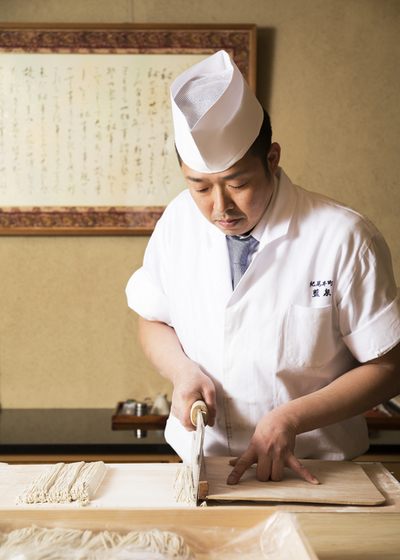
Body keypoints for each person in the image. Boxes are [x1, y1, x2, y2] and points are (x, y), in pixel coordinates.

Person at [126, 50, 400, 485]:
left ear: (271, 159)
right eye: (200, 187)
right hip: (203, 470)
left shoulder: (344, 236)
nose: (220, 208)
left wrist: (292, 417)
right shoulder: (178, 220)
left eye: (238, 184)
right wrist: (183, 373)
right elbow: (152, 320)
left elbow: (389, 367)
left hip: (316, 472)